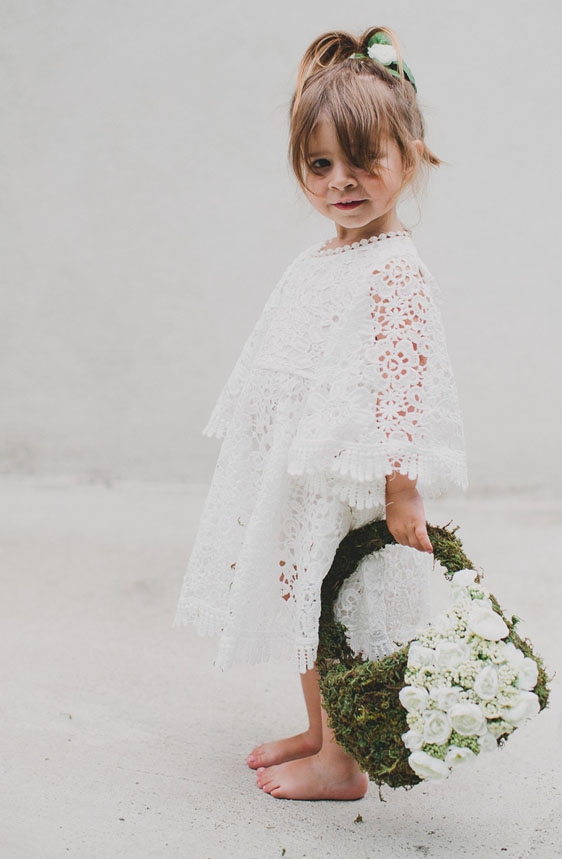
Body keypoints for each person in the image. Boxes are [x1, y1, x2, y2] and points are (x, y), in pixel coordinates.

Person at [173, 25, 469, 800]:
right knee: (301, 602)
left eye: (364, 160)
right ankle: (318, 728)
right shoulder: (329, 255)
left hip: (350, 480)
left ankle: (343, 763)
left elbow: (405, 386)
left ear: (410, 157)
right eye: (320, 164)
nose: (342, 181)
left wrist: (403, 487)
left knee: (339, 616)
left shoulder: (396, 269)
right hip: (303, 475)